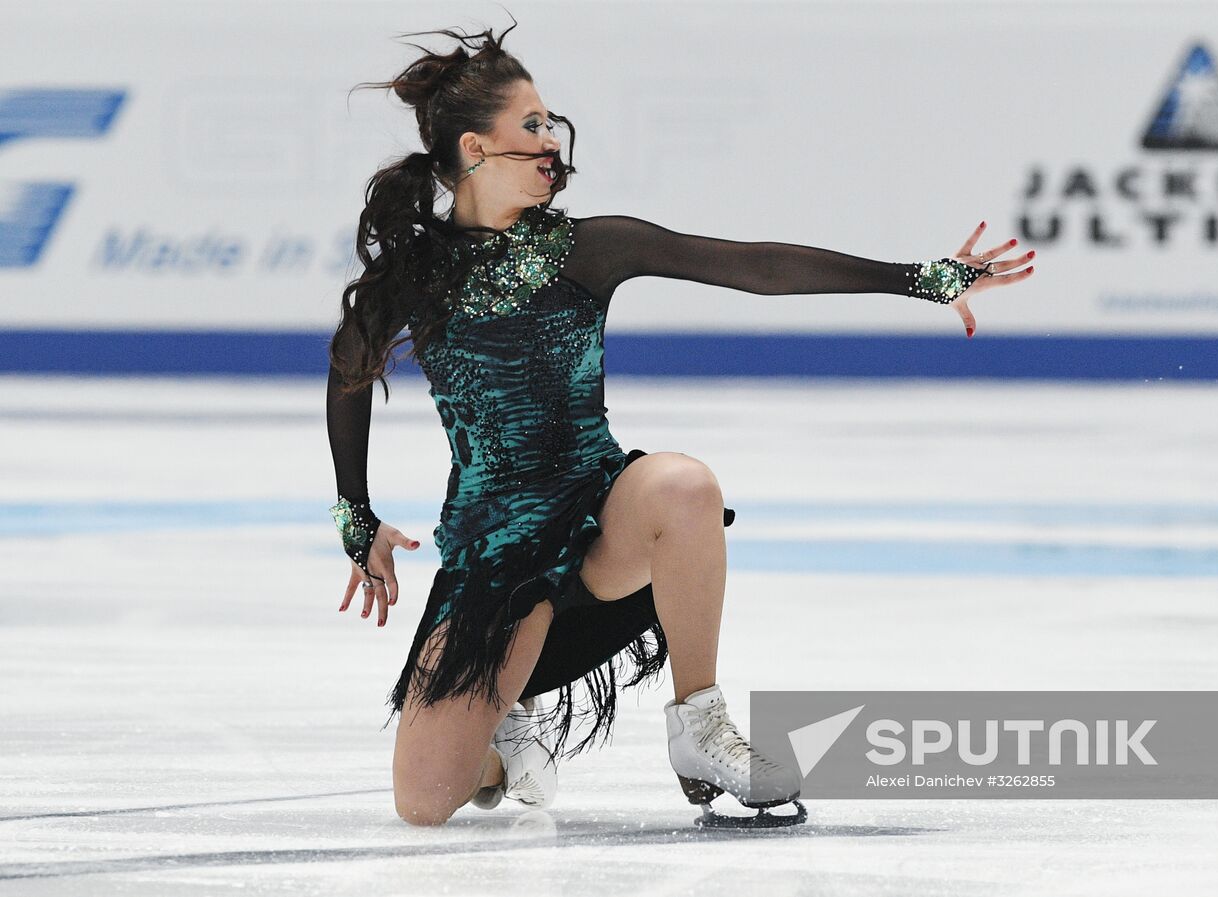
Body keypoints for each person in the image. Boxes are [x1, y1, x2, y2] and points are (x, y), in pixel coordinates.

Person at [325, 21, 1036, 829]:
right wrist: (357, 514)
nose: (551, 140)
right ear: (475, 147)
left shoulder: (589, 248)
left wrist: (918, 279)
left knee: (684, 485)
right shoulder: (415, 275)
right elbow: (348, 368)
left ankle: (699, 723)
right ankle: (503, 730)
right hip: (494, 557)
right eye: (532, 126)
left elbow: (752, 266)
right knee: (426, 803)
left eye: (551, 122)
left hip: (599, 526)